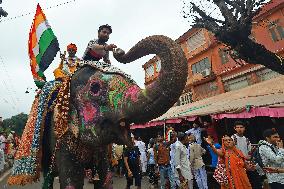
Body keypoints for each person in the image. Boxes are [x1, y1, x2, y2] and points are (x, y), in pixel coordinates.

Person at [231, 121, 262, 189]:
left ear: (244, 128)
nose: (239, 129)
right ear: (234, 128)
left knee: (253, 181)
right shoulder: (233, 138)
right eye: (238, 127)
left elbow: (249, 152)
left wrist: (252, 151)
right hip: (239, 164)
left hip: (247, 163)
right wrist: (245, 157)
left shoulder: (246, 139)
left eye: (241, 127)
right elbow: (233, 152)